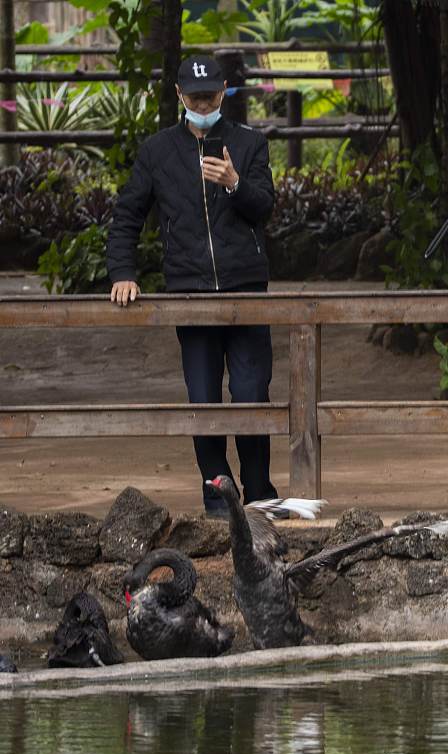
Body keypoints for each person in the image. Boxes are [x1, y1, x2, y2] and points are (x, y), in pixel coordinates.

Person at [106, 55, 279, 517]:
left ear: (223, 92)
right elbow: (127, 215)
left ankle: (260, 490)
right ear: (180, 96)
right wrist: (123, 272)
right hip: (190, 291)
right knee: (203, 398)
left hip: (245, 289)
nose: (203, 103)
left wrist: (234, 182)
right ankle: (217, 497)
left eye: (210, 95)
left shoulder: (249, 143)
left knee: (251, 392)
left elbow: (265, 207)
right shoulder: (158, 152)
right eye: (194, 96)